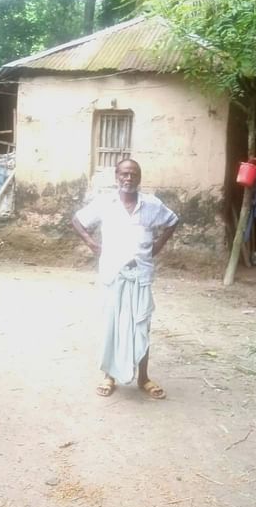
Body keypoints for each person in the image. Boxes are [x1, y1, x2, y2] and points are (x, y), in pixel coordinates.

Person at [72, 159, 178, 399]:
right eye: (124, 174)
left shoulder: (151, 204)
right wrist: (91, 243)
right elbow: (77, 220)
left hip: (140, 274)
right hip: (113, 274)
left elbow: (173, 221)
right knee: (111, 325)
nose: (128, 179)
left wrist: (159, 243)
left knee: (142, 325)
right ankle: (109, 376)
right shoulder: (105, 203)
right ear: (116, 176)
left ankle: (143, 378)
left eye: (133, 174)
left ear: (139, 178)